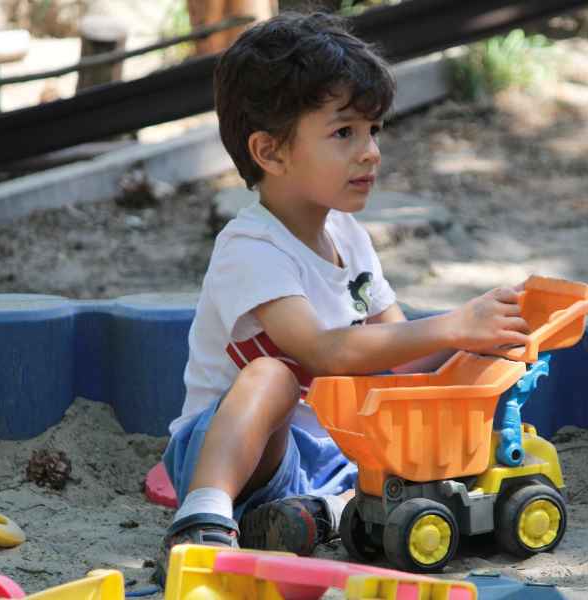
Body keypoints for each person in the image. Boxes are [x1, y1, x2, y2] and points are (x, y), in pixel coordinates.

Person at [158, 11, 532, 575]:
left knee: (411, 467)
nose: (371, 152)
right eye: (344, 132)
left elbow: (399, 353)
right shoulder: (251, 247)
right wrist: (453, 323)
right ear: (271, 152)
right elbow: (323, 351)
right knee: (273, 375)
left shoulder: (347, 236)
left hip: (325, 455)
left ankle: (312, 517)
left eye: (373, 130)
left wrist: (485, 336)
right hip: (237, 452)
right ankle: (203, 517)